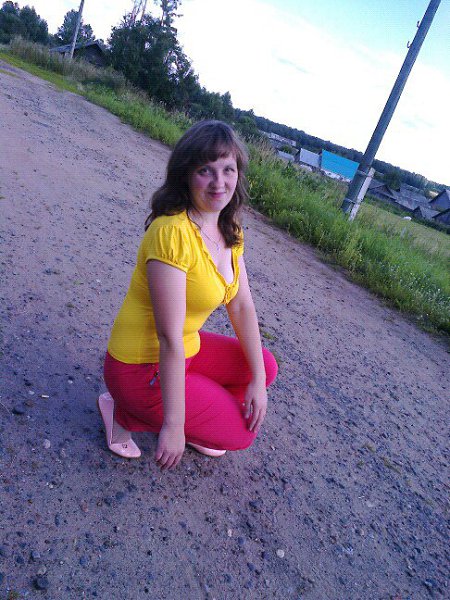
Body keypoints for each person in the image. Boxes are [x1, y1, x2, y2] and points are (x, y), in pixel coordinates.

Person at [99, 120, 278, 471]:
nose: (219, 182)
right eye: (205, 170)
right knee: (241, 434)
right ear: (185, 175)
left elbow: (241, 305)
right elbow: (168, 336)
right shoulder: (172, 233)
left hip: (186, 350)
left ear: (238, 174)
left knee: (264, 366)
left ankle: (196, 415)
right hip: (139, 366)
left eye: (228, 169)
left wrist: (258, 381)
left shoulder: (229, 228)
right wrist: (174, 425)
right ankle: (122, 411)